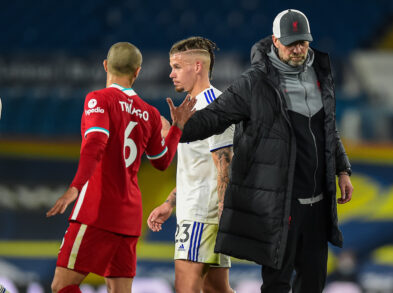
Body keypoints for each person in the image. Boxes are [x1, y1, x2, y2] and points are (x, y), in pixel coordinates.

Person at [179, 9, 354, 293]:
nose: (298, 49)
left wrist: (342, 169)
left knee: (313, 283)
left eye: (303, 42)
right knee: (276, 284)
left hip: (318, 204)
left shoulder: (321, 74)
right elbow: (216, 116)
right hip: (280, 205)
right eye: (291, 43)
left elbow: (328, 128)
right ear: (275, 40)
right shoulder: (254, 83)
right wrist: (181, 128)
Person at [46, 42, 196, 293]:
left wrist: (75, 187)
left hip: (96, 210)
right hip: (129, 217)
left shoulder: (98, 99)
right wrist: (177, 128)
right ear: (137, 72)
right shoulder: (148, 113)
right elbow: (161, 162)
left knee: (62, 286)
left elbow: (95, 143)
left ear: (105, 65)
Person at [147, 37, 235, 293]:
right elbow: (198, 167)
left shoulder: (214, 106)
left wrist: (223, 214)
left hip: (201, 216)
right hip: (198, 212)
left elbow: (224, 164)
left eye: (176, 66)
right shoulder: (191, 107)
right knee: (216, 289)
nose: (171, 73)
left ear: (197, 66)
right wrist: (170, 203)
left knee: (187, 289)